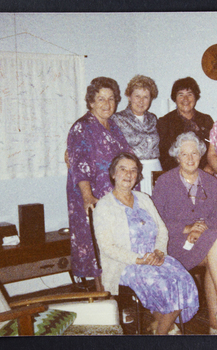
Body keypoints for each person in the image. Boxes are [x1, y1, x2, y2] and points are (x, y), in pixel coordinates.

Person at [93, 152, 199, 335]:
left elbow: (162, 230)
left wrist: (159, 252)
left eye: (133, 170)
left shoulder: (144, 199)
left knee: (182, 279)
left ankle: (162, 326)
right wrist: (140, 259)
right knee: (166, 286)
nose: (128, 174)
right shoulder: (104, 206)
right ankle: (163, 333)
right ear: (113, 174)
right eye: (123, 169)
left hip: (154, 257)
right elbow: (107, 247)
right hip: (126, 264)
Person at [152, 132, 217, 335]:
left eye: (194, 153)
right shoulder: (165, 182)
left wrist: (199, 227)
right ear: (177, 157)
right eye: (185, 154)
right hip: (174, 245)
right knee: (216, 246)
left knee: (215, 242)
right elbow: (157, 221)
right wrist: (187, 228)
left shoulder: (210, 181)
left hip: (203, 240)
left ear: (201, 155)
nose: (191, 158)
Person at [66, 77, 134, 280]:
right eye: (101, 99)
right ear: (91, 102)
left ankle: (116, 294)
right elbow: (79, 166)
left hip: (115, 196)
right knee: (97, 245)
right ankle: (100, 295)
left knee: (114, 243)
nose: (107, 104)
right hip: (92, 195)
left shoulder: (113, 125)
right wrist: (88, 197)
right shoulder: (81, 128)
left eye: (111, 99)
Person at [112, 75, 161, 195]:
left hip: (155, 169)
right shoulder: (117, 119)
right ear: (129, 97)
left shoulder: (153, 119)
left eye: (146, 97)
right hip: (132, 172)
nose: (141, 101)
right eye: (137, 96)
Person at [157, 77, 214, 173]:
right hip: (176, 174)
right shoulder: (165, 122)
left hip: (204, 173)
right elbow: (163, 156)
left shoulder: (206, 120)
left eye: (189, 94)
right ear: (175, 98)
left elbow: (214, 150)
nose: (185, 99)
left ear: (195, 97)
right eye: (180, 95)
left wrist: (210, 166)